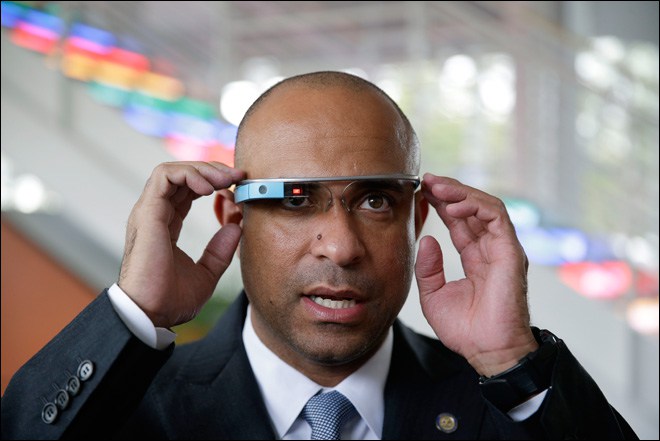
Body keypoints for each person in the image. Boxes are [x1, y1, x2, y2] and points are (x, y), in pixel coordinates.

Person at [1, 71, 637, 440]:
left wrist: (510, 362)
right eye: (295, 200)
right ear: (233, 217)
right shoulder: (129, 406)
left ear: (417, 219)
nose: (341, 246)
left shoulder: (511, 403)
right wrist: (134, 313)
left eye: (376, 201)